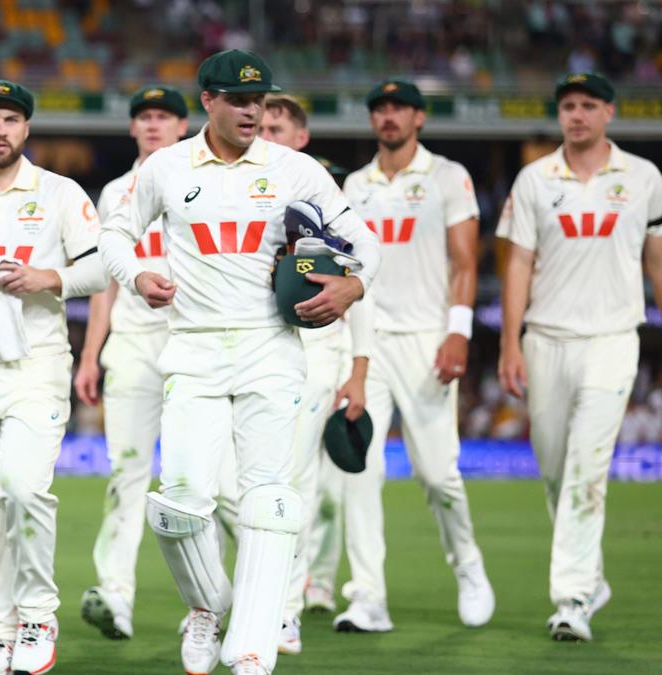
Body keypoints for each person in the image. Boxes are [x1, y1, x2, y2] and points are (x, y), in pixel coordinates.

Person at [100, 50, 380, 675]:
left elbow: (363, 240)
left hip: (270, 348)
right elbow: (114, 235)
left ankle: (253, 644)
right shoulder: (167, 167)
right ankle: (208, 607)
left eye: (258, 99)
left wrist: (353, 285)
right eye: (237, 99)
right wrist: (137, 271)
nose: (251, 109)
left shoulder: (295, 168)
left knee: (268, 499)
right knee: (181, 502)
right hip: (193, 348)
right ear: (208, 102)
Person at [496, 72, 662, 642]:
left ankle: (572, 598)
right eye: (568, 105)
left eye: (589, 104)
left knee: (587, 471)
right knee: (555, 469)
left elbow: (657, 261)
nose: (577, 114)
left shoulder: (644, 178)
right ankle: (590, 575)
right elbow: (517, 263)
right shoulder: (535, 179)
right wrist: (509, 340)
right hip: (545, 340)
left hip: (613, 341)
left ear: (609, 112)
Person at [0, 78, 108, 675]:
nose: (0, 131)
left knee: (23, 487)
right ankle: (0, 631)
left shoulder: (61, 193)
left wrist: (51, 277)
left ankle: (39, 613)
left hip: (35, 364)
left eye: (11, 120)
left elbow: (101, 269)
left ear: (26, 129)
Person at [333, 78, 494, 633]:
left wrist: (459, 332)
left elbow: (465, 261)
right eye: (379, 108)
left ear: (419, 118)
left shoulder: (449, 177)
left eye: (399, 108)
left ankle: (468, 564)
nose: (388, 117)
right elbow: (347, 271)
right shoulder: (355, 185)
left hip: (427, 338)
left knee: (437, 474)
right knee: (360, 470)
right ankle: (368, 597)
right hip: (367, 343)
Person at [72, 85, 189, 642]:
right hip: (134, 346)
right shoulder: (116, 191)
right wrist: (91, 353)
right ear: (131, 128)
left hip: (196, 343)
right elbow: (103, 282)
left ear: (184, 125)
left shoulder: (201, 180)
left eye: (163, 116)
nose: (152, 124)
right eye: (143, 115)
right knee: (126, 475)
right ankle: (116, 595)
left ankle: (242, 593)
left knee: (207, 483)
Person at [257, 93, 373, 654]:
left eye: (277, 127)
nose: (267, 134)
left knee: (294, 485)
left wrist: (358, 369)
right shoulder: (242, 195)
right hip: (252, 355)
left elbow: (361, 290)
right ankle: (250, 599)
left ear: (300, 138)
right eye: (263, 126)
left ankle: (285, 611)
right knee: (239, 489)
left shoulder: (325, 200)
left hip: (315, 356)